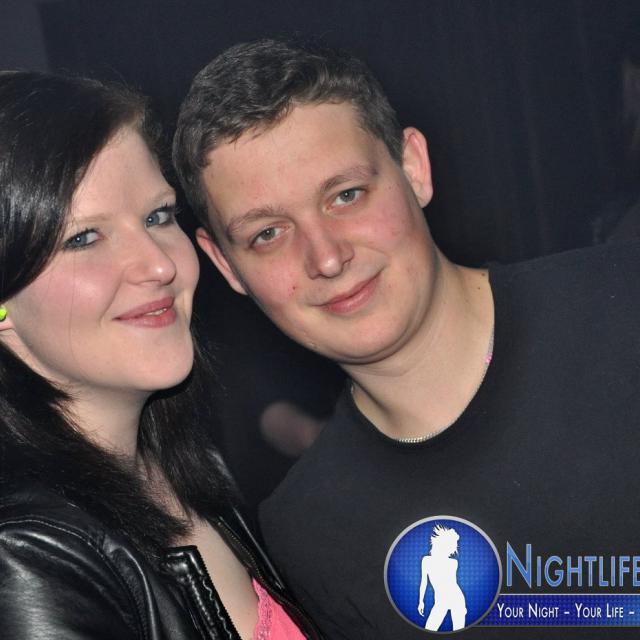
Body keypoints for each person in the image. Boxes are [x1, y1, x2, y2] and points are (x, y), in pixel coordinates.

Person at [173, 39, 640, 638]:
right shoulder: (312, 528)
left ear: (413, 168)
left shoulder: (623, 301)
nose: (327, 257)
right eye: (268, 233)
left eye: (345, 195)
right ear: (226, 266)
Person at [0, 71, 318, 640]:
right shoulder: (24, 551)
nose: (160, 264)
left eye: (158, 217)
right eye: (84, 238)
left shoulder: (184, 468)